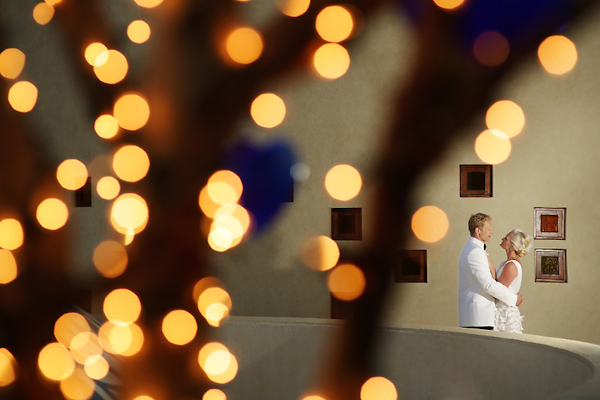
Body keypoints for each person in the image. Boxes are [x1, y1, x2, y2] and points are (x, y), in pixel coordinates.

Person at [458, 213, 523, 330]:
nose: (492, 232)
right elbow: (488, 285)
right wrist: (514, 299)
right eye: (489, 229)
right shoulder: (475, 252)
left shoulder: (474, 249)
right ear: (478, 231)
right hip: (478, 317)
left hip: (480, 316)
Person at [494, 229, 531, 333]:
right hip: (500, 309)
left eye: (506, 239)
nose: (502, 239)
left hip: (505, 314)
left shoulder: (511, 265)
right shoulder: (506, 263)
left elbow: (498, 291)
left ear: (512, 247)